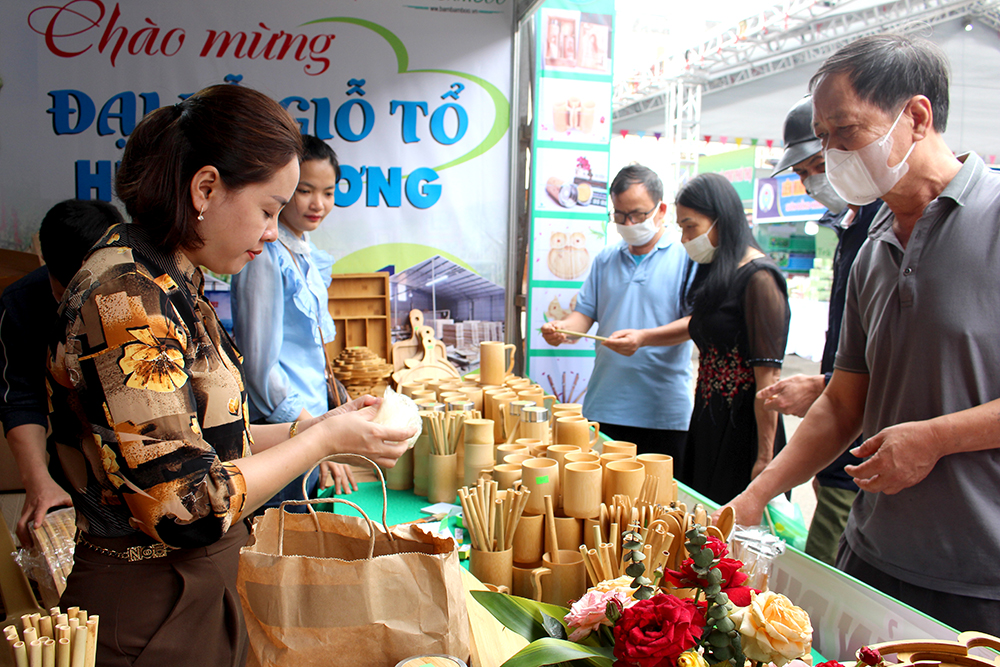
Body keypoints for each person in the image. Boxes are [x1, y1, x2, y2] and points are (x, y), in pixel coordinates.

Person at [47, 84, 416, 666]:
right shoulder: (125, 297)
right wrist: (321, 440)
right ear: (206, 188)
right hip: (152, 607)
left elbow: (208, 444)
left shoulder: (173, 281)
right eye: (269, 209)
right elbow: (184, 505)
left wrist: (322, 426)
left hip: (196, 587)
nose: (273, 231)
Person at [725, 33, 1000, 633]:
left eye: (843, 131)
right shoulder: (872, 250)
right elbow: (845, 402)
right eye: (823, 138)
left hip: (979, 580)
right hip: (870, 556)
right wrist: (757, 495)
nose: (832, 152)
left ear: (917, 117)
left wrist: (936, 438)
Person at [610, 173, 790, 505]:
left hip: (743, 432)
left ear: (721, 219)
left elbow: (769, 378)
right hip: (708, 421)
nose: (685, 238)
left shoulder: (760, 279)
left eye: (691, 227)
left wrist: (766, 457)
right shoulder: (720, 275)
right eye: (682, 228)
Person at [755, 95, 882, 565]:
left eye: (819, 163)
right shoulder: (853, 229)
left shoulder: (884, 226)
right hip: (843, 449)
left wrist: (827, 387)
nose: (811, 183)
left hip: (869, 461)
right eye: (803, 172)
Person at [232, 135, 356, 510]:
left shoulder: (304, 254)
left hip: (311, 423)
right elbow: (259, 371)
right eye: (305, 191)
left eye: (329, 192)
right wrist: (317, 433)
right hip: (284, 432)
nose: (319, 204)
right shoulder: (265, 256)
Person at [540, 165, 694, 462]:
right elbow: (582, 317)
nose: (628, 222)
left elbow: (695, 324)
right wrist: (562, 329)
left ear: (661, 210)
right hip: (605, 407)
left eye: (636, 214)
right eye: (619, 215)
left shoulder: (685, 258)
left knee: (659, 505)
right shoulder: (605, 259)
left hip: (664, 413)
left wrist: (644, 338)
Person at [0, 199, 123, 547]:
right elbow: (21, 398)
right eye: (64, 296)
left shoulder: (149, 292)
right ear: (46, 265)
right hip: (75, 464)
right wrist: (38, 481)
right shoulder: (21, 303)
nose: (76, 310)